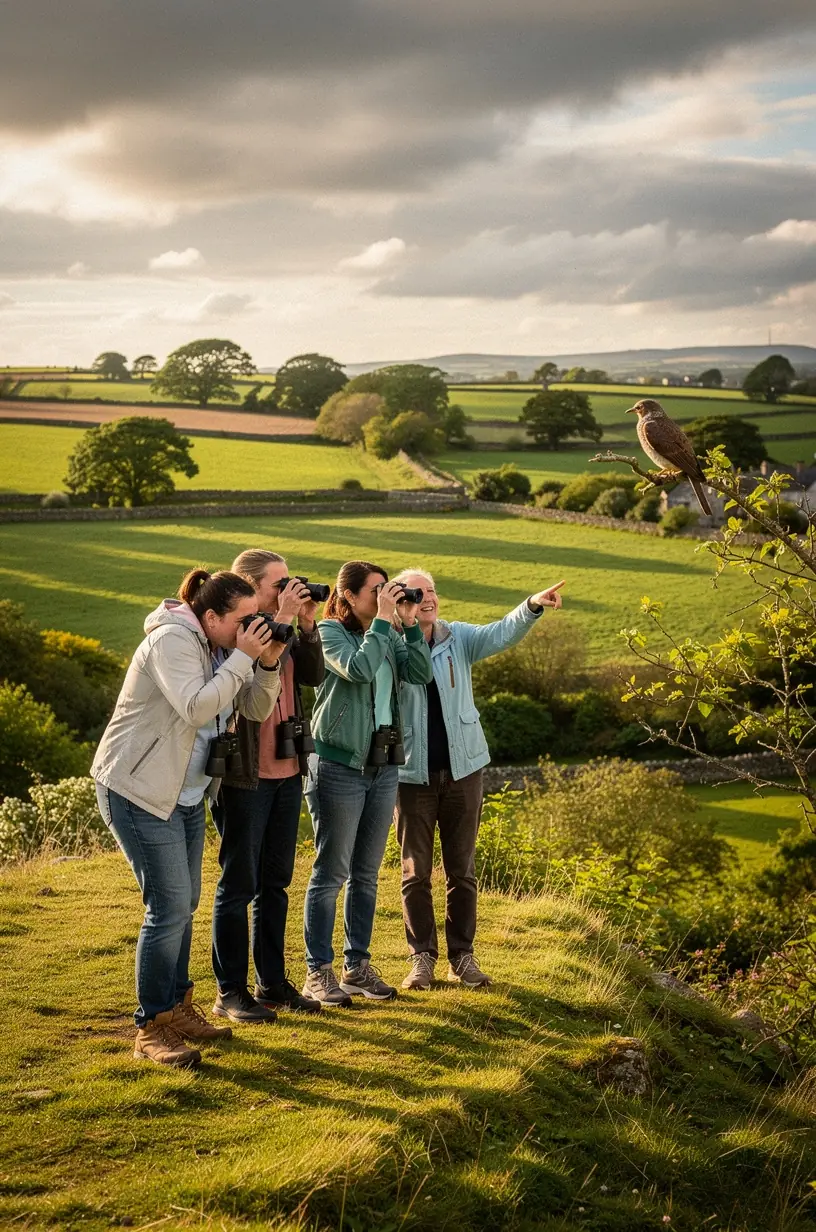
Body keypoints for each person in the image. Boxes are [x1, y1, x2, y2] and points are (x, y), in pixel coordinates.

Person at [91, 568, 286, 1067]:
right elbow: (198, 709)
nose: (253, 626)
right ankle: (150, 1026)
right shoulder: (173, 640)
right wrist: (243, 656)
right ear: (212, 616)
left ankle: (177, 1008)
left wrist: (265, 664)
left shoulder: (222, 648)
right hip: (139, 789)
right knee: (169, 907)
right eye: (245, 620)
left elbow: (258, 710)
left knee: (187, 901)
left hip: (186, 794)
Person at [393, 568, 565, 991]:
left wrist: (531, 606)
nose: (427, 598)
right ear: (400, 601)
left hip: (464, 769)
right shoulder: (390, 644)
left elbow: (501, 633)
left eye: (431, 590)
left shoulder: (459, 638)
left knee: (462, 870)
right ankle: (421, 959)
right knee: (415, 872)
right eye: (417, 593)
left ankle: (462, 958)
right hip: (411, 772)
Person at [301, 560, 433, 1006]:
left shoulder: (389, 631)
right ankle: (317, 972)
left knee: (366, 874)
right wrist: (383, 621)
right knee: (331, 872)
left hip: (382, 765)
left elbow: (420, 673)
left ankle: (356, 966)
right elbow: (357, 670)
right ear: (350, 596)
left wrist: (410, 625)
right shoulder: (329, 633)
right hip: (338, 764)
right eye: (376, 591)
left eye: (388, 590)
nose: (386, 598)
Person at [210, 550, 325, 1022]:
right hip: (245, 773)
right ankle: (229, 990)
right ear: (252, 586)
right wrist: (279, 617)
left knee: (275, 882)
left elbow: (314, 677)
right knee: (239, 883)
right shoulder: (240, 632)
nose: (288, 590)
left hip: (286, 766)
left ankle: (272, 983)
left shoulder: (286, 623)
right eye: (279, 584)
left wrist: (307, 626)